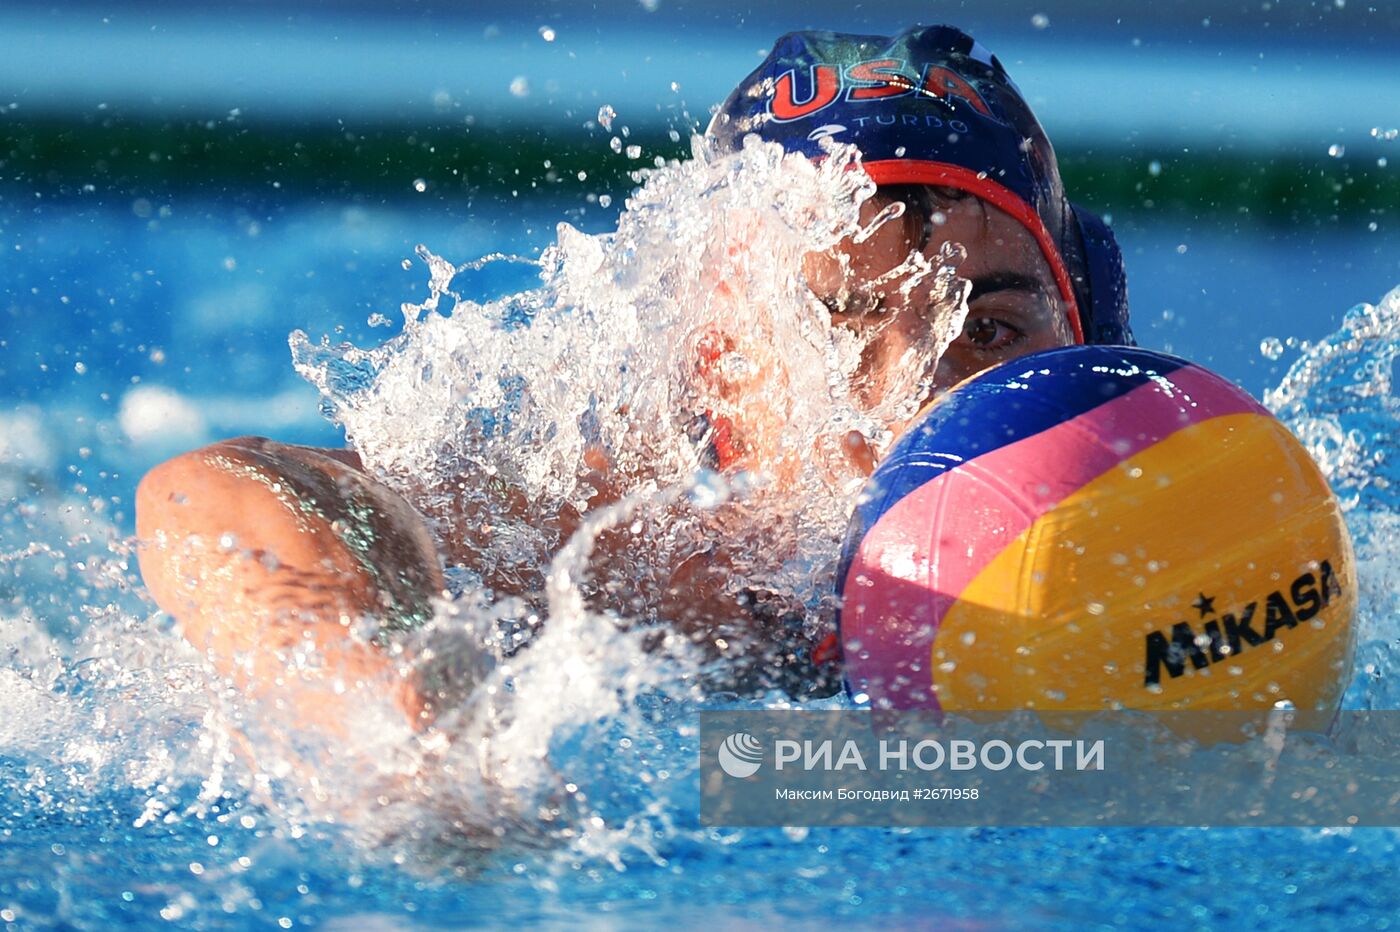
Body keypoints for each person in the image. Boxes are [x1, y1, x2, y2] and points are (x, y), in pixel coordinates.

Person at [135, 25, 1132, 734]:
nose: (913, 396)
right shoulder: (642, 572)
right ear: (724, 369)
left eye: (991, 328)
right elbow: (224, 494)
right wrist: (400, 692)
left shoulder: (1185, 526)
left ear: (1085, 345)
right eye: (833, 330)